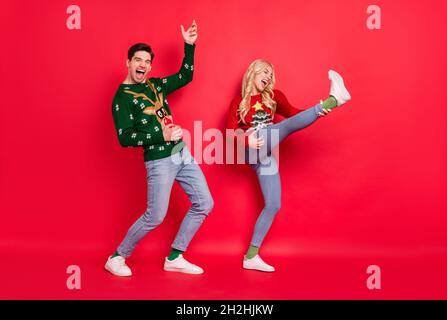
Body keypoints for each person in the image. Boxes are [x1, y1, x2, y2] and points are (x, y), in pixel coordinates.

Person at [105, 20, 214, 277]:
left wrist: (189, 46)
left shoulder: (155, 85)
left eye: (147, 62)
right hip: (159, 160)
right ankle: (117, 256)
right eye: (137, 60)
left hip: (182, 153)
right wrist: (159, 133)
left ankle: (175, 256)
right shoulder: (121, 99)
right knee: (155, 216)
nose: (142, 65)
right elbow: (125, 137)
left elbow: (185, 75)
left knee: (204, 203)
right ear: (128, 62)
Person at [227, 59, 351, 272]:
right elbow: (229, 133)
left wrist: (317, 113)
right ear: (253, 72)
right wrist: (247, 140)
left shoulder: (275, 97)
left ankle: (251, 256)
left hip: (267, 154)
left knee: (274, 204)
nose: (267, 76)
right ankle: (334, 100)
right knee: (282, 127)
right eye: (264, 71)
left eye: (270, 73)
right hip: (249, 149)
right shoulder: (239, 101)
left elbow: (294, 116)